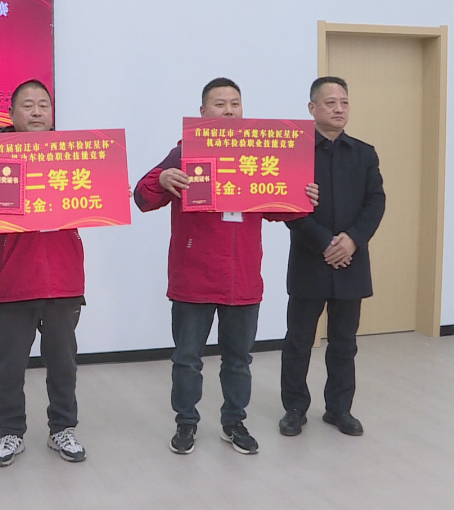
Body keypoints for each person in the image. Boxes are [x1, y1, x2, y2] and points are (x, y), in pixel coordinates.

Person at [133, 78, 317, 456]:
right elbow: (142, 196)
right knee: (187, 360)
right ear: (203, 112)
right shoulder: (185, 151)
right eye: (220, 104)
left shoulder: (259, 155)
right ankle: (186, 423)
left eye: (235, 103)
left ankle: (234, 423)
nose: (229, 110)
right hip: (193, 277)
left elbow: (280, 208)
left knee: (239, 361)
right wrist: (162, 179)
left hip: (242, 278)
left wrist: (304, 197)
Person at [0, 79, 87, 467]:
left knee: (63, 363)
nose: (36, 112)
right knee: (9, 366)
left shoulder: (73, 153)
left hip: (63, 278)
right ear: (11, 113)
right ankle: (10, 432)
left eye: (43, 105)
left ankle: (62, 428)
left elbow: (99, 197)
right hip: (13, 280)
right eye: (27, 105)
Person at [278, 76, 385, 438]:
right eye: (330, 103)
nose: (339, 109)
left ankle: (339, 409)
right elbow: (287, 207)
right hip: (310, 259)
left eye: (344, 102)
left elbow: (376, 202)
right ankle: (294, 408)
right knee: (298, 341)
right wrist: (325, 243)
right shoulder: (295, 152)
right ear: (312, 108)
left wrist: (352, 240)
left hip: (351, 262)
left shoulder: (365, 153)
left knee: (344, 342)